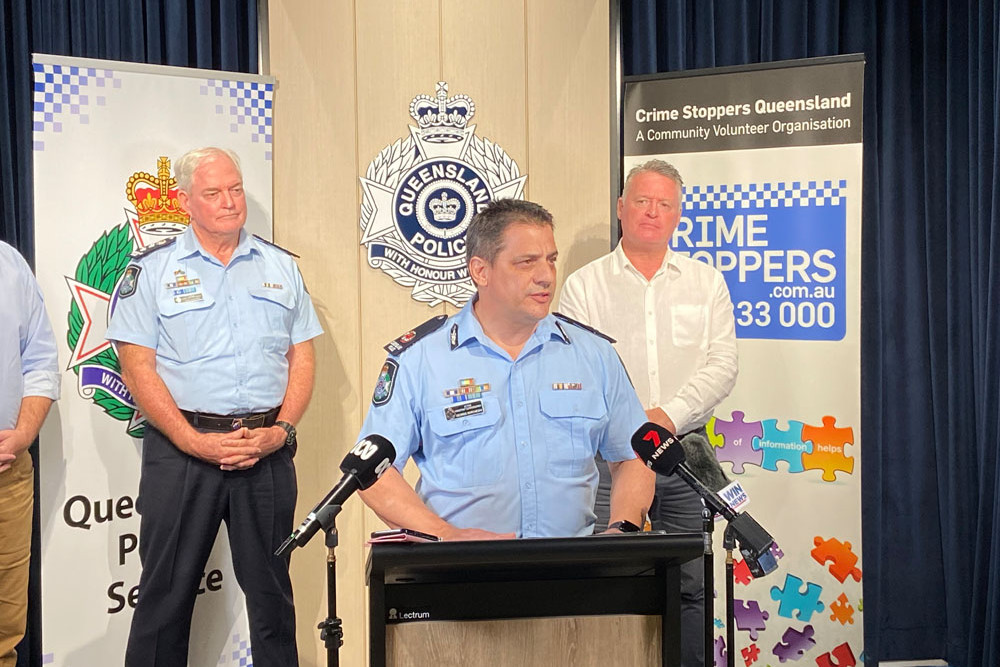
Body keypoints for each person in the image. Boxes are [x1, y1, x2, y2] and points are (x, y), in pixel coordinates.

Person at [106, 147, 323, 666]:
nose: (229, 202)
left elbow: (302, 356)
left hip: (264, 451)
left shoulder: (279, 266)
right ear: (184, 202)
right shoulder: (151, 271)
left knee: (273, 598)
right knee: (165, 597)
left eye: (235, 189)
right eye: (213, 193)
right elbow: (137, 367)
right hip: (181, 454)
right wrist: (192, 440)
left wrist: (283, 430)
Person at [357, 198, 654, 540]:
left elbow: (634, 455)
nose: (545, 276)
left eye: (551, 260)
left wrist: (623, 528)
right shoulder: (420, 359)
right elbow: (373, 473)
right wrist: (445, 534)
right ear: (481, 271)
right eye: (526, 262)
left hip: (573, 571)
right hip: (457, 573)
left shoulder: (594, 355)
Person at [558, 159, 738, 667]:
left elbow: (723, 365)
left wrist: (667, 415)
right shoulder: (583, 287)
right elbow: (578, 372)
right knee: (608, 584)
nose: (652, 213)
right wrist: (631, 425)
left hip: (685, 456)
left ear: (679, 215)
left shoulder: (706, 283)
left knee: (691, 588)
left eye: (664, 204)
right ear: (621, 208)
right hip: (609, 463)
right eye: (642, 201)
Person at [0, 242, 60, 667]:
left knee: (4, 631)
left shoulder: (8, 264)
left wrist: (23, 432)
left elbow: (40, 359)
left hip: (8, 475)